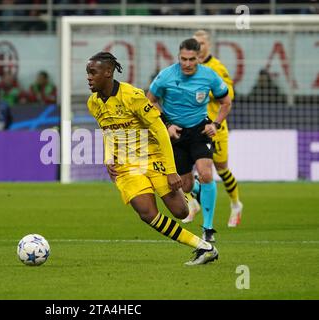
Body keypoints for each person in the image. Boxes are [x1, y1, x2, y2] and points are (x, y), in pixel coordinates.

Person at [86, 51, 218, 265]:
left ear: (108, 72)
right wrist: (108, 157)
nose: (89, 77)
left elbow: (159, 129)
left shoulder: (133, 96)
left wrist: (171, 170)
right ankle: (203, 247)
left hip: (153, 157)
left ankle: (191, 192)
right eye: (88, 73)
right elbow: (107, 131)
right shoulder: (93, 103)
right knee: (147, 213)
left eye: (93, 72)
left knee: (180, 212)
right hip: (126, 167)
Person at [146, 38, 232, 243]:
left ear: (198, 58)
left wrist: (216, 125)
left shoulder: (209, 76)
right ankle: (196, 190)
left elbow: (226, 102)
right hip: (176, 134)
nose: (186, 63)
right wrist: (167, 125)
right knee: (184, 185)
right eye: (183, 59)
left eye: (191, 59)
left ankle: (208, 228)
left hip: (199, 131)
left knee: (206, 173)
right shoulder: (166, 75)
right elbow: (149, 101)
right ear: (179, 56)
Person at [190, 29, 243, 228]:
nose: (198, 47)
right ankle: (194, 203)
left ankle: (236, 204)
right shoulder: (188, 67)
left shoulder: (217, 67)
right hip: (194, 127)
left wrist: (208, 90)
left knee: (221, 169)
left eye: (201, 43)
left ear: (208, 45)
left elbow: (230, 94)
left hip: (215, 127)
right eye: (195, 43)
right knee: (191, 169)